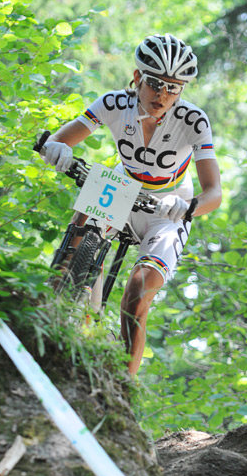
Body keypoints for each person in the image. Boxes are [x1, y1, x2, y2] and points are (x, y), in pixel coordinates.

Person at [40, 34, 221, 375]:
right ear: (137, 77)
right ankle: (53, 315)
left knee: (138, 290)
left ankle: (124, 384)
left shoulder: (193, 120)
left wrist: (188, 206)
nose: (162, 95)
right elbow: (59, 140)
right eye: (155, 83)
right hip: (122, 188)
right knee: (79, 231)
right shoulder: (113, 104)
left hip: (168, 208)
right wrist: (57, 149)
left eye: (173, 88)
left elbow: (214, 193)